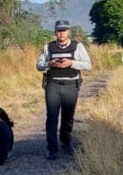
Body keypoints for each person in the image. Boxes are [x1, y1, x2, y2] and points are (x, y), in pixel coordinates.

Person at [36, 19, 93, 160]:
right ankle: (52, 149)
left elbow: (88, 65)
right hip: (53, 85)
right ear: (55, 32)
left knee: (68, 116)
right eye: (59, 31)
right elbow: (38, 65)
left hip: (71, 85)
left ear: (69, 32)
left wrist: (71, 63)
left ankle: (66, 142)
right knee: (52, 116)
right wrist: (49, 63)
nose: (61, 33)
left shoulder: (77, 46)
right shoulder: (48, 47)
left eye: (64, 30)